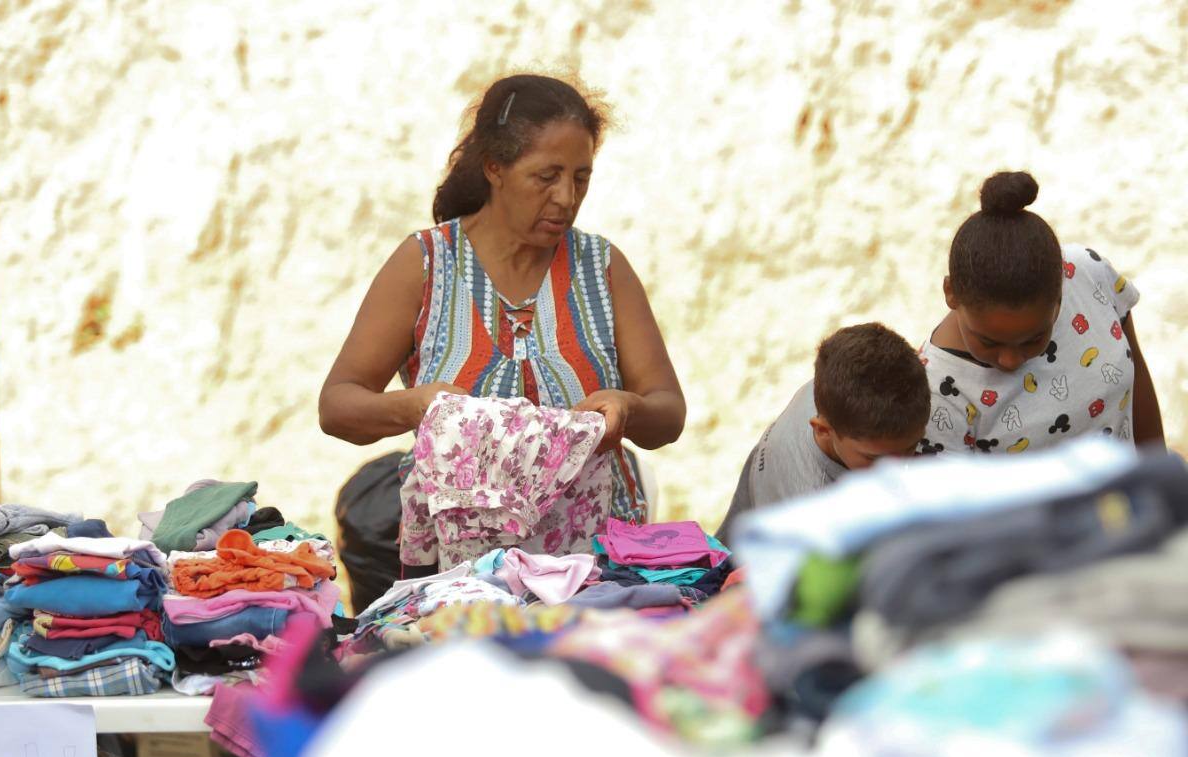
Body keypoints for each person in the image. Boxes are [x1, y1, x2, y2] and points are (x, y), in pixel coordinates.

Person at [318, 74, 685, 527]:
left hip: (598, 556)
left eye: (581, 178)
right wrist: (416, 406)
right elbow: (337, 405)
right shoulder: (426, 264)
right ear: (494, 167)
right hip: (458, 562)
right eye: (546, 177)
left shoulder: (602, 267)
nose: (567, 198)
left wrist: (628, 410)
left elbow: (668, 411)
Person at [919, 171, 1164, 455]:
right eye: (988, 342)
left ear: (1062, 289)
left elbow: (1137, 377)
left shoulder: (1086, 273)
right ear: (951, 293)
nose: (1010, 360)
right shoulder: (935, 394)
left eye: (1033, 339)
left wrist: (1162, 478)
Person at [715, 323, 930, 545]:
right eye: (874, 458)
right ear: (823, 430)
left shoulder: (836, 391)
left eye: (910, 447)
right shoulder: (816, 512)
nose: (896, 470)